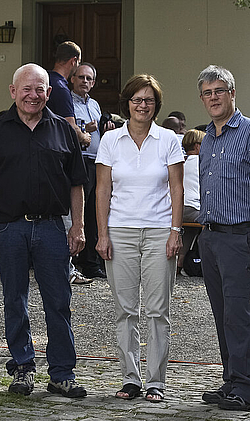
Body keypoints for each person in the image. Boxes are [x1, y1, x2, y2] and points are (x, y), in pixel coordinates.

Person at [0, 63, 88, 398]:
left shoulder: (63, 130)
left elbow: (77, 184)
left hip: (50, 229)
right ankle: (22, 368)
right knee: (14, 300)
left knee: (58, 301)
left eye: (40, 89)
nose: (34, 95)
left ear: (49, 92)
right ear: (13, 91)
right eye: (27, 89)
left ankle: (62, 374)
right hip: (8, 229)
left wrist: (78, 226)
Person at [196, 65, 250, 411]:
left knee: (240, 314)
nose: (214, 97)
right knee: (223, 314)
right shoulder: (208, 136)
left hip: (241, 236)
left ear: (232, 94)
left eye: (220, 90)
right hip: (211, 236)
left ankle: (248, 390)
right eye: (207, 92)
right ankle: (231, 380)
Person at [95, 74, 184, 403]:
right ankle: (131, 379)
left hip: (160, 231)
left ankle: (156, 381)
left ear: (156, 105)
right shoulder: (110, 141)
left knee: (158, 311)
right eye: (136, 99)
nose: (142, 105)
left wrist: (176, 231)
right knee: (125, 310)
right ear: (127, 103)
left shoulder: (169, 140)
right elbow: (102, 190)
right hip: (120, 231)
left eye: (148, 100)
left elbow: (177, 189)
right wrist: (102, 234)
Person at [47, 41, 92, 284]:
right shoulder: (61, 87)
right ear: (74, 61)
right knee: (67, 215)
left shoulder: (47, 82)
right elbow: (69, 126)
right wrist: (85, 136)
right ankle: (67, 269)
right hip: (63, 160)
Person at [71, 62, 115, 279]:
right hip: (78, 161)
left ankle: (91, 263)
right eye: (81, 77)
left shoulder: (95, 105)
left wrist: (106, 130)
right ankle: (73, 261)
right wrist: (82, 128)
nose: (85, 82)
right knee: (78, 213)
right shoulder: (67, 102)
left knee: (95, 213)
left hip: (97, 163)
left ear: (94, 83)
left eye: (89, 79)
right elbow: (66, 127)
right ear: (73, 79)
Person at [178, 129, 204, 275]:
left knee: (190, 229)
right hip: (193, 208)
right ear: (198, 146)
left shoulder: (181, 161)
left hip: (177, 209)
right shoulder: (202, 163)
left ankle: (179, 263)